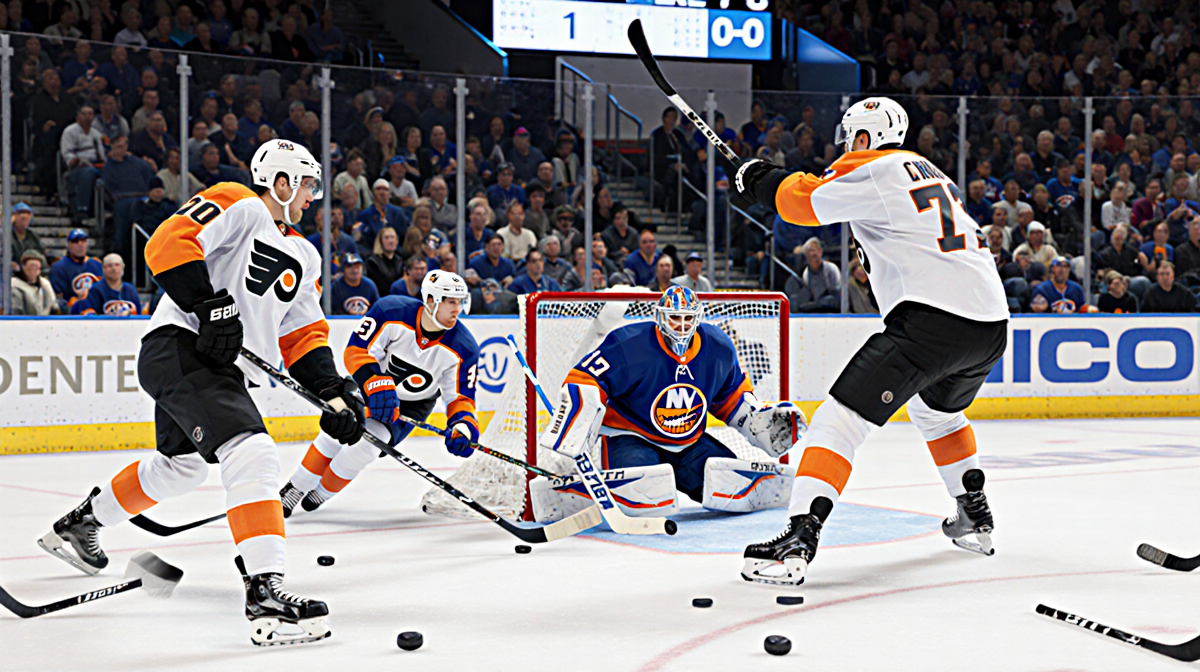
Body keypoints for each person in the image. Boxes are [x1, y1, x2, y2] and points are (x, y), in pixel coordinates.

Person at [37, 141, 365, 646]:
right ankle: (265, 593)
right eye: (307, 185)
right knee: (252, 452)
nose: (313, 196)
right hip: (182, 347)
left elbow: (302, 335)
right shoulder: (241, 202)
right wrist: (209, 305)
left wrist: (333, 391)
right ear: (280, 183)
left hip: (219, 368)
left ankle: (81, 526)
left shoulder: (306, 254)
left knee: (180, 467)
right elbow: (169, 241)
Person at [732, 97, 1008, 585]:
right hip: (989, 325)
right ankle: (974, 513)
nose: (845, 147)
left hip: (932, 320)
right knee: (937, 413)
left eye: (849, 138)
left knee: (837, 422)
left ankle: (799, 536)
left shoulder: (876, 167)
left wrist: (758, 178)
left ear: (864, 138)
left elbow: (802, 204)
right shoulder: (927, 172)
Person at [539, 286, 807, 514]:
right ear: (660, 317)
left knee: (728, 482)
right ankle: (595, 484)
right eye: (674, 318)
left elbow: (731, 398)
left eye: (688, 318)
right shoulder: (629, 343)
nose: (682, 326)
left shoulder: (717, 347)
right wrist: (579, 413)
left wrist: (756, 420)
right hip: (630, 436)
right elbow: (584, 378)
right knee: (649, 496)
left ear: (698, 318)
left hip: (688, 442)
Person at [280, 270, 478, 511]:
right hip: (368, 385)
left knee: (367, 447)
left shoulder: (465, 348)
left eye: (460, 302)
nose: (457, 309)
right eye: (450, 302)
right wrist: (373, 381)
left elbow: (460, 397)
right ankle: (297, 486)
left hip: (411, 405)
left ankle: (322, 493)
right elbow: (356, 350)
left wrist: (463, 426)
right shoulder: (391, 311)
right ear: (430, 300)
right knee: (341, 427)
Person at [50, 228, 104, 311]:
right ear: (69, 245)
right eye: (76, 241)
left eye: (83, 241)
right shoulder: (59, 267)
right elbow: (58, 298)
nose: (80, 244)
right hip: (72, 312)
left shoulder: (97, 265)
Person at [76, 253, 141, 316]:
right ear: (103, 268)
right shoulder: (95, 290)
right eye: (110, 265)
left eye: (117, 265)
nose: (114, 268)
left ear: (123, 267)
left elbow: (138, 313)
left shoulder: (130, 290)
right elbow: (91, 316)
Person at [356, 178, 409, 252]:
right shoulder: (364, 215)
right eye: (378, 189)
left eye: (386, 189)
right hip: (371, 252)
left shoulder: (398, 213)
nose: (382, 192)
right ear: (372, 194)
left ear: (389, 194)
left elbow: (405, 234)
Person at [10, 250, 57, 316]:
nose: (33, 270)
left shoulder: (45, 284)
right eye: (31, 267)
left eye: (37, 267)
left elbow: (54, 306)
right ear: (23, 266)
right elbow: (16, 312)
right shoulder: (14, 284)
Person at [9, 202, 44, 272]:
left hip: (32, 270)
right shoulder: (7, 235)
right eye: (22, 219)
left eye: (26, 219)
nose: (24, 221)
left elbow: (41, 252)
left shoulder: (32, 235)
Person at [366, 227, 404, 292]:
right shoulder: (372, 262)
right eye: (386, 238)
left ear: (397, 241)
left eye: (392, 237)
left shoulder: (400, 261)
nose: (390, 241)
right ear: (380, 242)